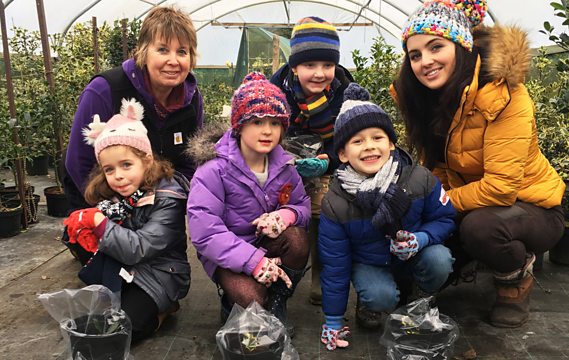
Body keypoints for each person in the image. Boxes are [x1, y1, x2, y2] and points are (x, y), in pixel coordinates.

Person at [392, 0, 566, 328]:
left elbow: (501, 188)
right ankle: (463, 264)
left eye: (435, 47)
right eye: (415, 55)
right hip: (475, 201)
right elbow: (437, 170)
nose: (424, 61)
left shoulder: (505, 95)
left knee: (480, 229)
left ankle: (515, 279)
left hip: (533, 207)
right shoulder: (433, 98)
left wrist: (440, 204)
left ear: (461, 46)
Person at [318, 83, 456, 351]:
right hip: (370, 262)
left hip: (413, 256)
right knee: (380, 296)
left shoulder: (419, 178)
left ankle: (420, 298)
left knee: (440, 259)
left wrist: (422, 238)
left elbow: (446, 219)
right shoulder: (336, 202)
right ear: (343, 154)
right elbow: (334, 267)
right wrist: (333, 320)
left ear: (391, 143)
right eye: (357, 141)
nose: (369, 147)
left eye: (377, 137)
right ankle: (370, 304)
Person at [187, 73, 311, 331]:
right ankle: (232, 301)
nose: (267, 131)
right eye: (256, 121)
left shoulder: (286, 166)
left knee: (298, 240)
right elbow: (205, 233)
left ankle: (278, 299)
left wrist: (286, 216)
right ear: (239, 125)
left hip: (266, 244)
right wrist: (253, 261)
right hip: (228, 253)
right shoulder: (213, 170)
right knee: (251, 298)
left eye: (275, 123)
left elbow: (303, 206)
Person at [63, 98, 191, 342]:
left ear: (147, 160)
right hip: (125, 269)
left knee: (126, 329)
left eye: (126, 165)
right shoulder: (114, 197)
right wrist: (81, 231)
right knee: (99, 322)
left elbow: (140, 248)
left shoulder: (167, 198)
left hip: (162, 274)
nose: (118, 176)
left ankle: (165, 309)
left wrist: (100, 224)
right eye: (109, 169)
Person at [64, 5, 203, 211]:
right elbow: (79, 162)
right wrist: (116, 212)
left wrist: (167, 203)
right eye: (163, 49)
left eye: (182, 51)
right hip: (100, 206)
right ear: (143, 52)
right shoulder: (105, 90)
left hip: (158, 209)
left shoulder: (190, 99)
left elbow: (190, 161)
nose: (173, 61)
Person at [270, 16, 354, 306]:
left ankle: (321, 272)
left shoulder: (344, 94)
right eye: (310, 65)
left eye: (327, 65)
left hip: (326, 165)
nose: (319, 73)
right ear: (294, 66)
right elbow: (265, 134)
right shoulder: (277, 93)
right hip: (281, 166)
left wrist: (327, 161)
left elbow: (348, 138)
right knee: (280, 216)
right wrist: (285, 160)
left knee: (323, 212)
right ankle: (276, 269)